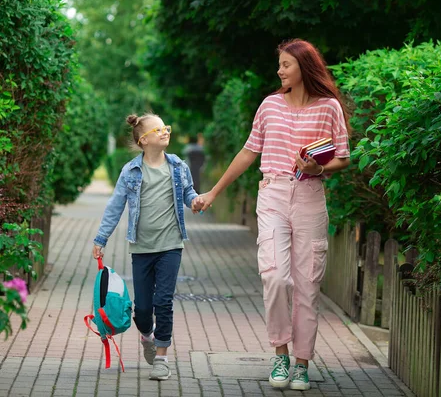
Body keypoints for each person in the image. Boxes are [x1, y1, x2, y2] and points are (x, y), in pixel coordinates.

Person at [193, 39, 351, 390]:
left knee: (308, 284)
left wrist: (317, 169)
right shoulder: (269, 106)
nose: (279, 71)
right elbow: (249, 152)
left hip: (310, 196)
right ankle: (280, 354)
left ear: (303, 67)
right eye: (279, 65)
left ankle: (302, 364)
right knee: (276, 277)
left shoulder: (329, 108)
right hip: (273, 195)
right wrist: (214, 192)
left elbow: (343, 156)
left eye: (285, 65)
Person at [92, 113, 201, 381]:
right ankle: (147, 335)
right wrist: (101, 239)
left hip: (170, 246)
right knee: (142, 309)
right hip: (141, 249)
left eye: (166, 127)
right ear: (144, 140)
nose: (165, 132)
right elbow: (115, 206)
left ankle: (162, 358)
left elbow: (187, 193)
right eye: (159, 129)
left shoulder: (177, 166)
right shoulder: (131, 171)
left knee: (163, 301)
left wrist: (196, 201)